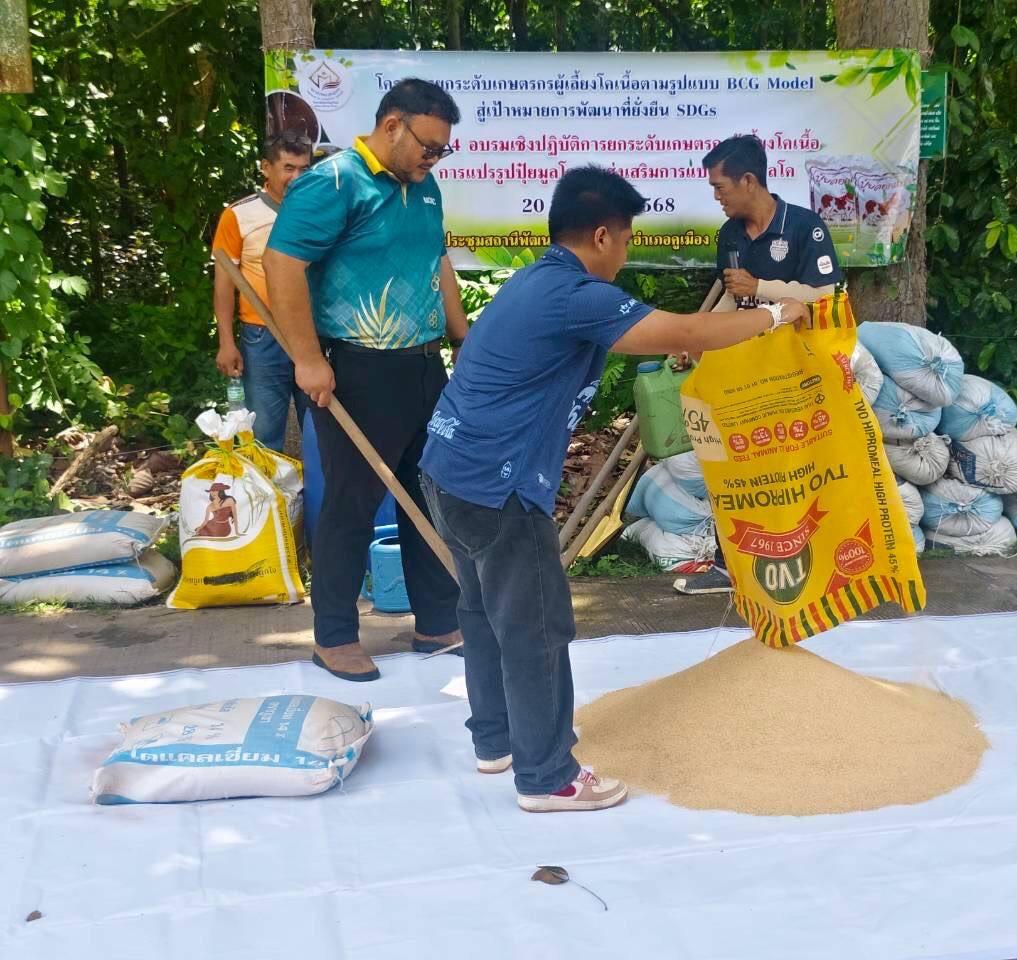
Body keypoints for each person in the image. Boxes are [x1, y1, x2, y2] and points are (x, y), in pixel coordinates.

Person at [419, 166, 807, 812]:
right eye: (625, 241)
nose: (625, 255)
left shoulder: (532, 282)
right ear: (602, 236)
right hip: (498, 485)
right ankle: (548, 777)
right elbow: (687, 331)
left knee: (482, 611)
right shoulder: (577, 295)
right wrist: (776, 313)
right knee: (536, 626)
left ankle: (497, 741)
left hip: (448, 471)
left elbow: (661, 338)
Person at [263, 79, 469, 682]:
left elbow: (436, 261)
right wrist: (307, 359)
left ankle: (436, 622)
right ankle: (334, 636)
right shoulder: (333, 183)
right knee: (352, 502)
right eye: (428, 146)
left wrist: (463, 336)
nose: (434, 159)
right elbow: (282, 264)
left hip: (423, 364)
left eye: (442, 150)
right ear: (391, 126)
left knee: (428, 492)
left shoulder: (424, 188)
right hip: (357, 368)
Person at [673, 134, 839, 595]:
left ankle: (808, 565)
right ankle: (729, 567)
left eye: (720, 186)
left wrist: (761, 286)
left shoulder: (804, 227)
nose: (716, 196)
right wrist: (696, 338)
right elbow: (732, 298)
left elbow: (826, 298)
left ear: (748, 180)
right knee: (733, 466)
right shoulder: (729, 235)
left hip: (793, 375)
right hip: (741, 374)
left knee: (792, 471)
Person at [211, 130, 313, 452]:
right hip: (262, 336)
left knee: (320, 431)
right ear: (266, 168)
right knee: (264, 432)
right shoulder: (239, 215)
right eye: (288, 168)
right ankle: (264, 486)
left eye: (304, 168)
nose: (297, 177)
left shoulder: (319, 210)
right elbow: (224, 283)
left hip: (313, 334)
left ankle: (313, 487)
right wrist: (226, 342)